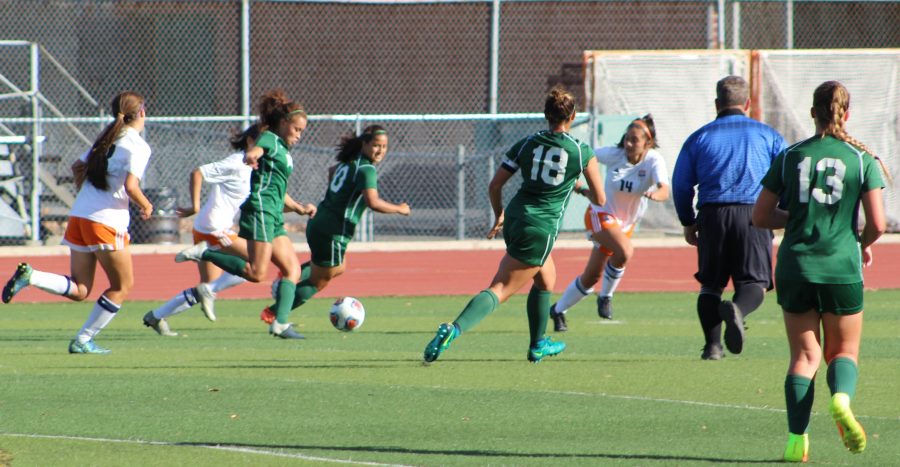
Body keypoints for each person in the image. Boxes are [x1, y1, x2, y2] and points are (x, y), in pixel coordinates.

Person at [752, 81, 886, 463]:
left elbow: (760, 216)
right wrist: (860, 245)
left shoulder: (791, 155)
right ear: (847, 114)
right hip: (841, 266)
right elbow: (877, 223)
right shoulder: (862, 159)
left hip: (795, 266)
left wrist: (795, 216)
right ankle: (841, 399)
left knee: (803, 357)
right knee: (843, 351)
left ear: (813, 113)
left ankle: (797, 441)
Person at [422, 85, 605, 364]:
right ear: (574, 116)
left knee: (546, 277)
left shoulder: (527, 142)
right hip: (541, 226)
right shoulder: (581, 151)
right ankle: (453, 329)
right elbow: (600, 198)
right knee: (501, 288)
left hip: (517, 216)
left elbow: (495, 185)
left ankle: (538, 344)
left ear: (546, 114)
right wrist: (579, 188)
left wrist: (499, 214)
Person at [1, 91, 153, 354]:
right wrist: (147, 204)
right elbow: (131, 185)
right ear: (141, 112)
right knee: (121, 286)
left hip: (80, 216)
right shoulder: (138, 145)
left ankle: (32, 276)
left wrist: (85, 192)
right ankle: (83, 340)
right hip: (106, 222)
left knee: (81, 289)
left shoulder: (107, 139)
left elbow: (76, 167)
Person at [175, 90, 314, 339]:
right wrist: (252, 154)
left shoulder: (284, 150)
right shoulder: (271, 139)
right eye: (296, 129)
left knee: (292, 269)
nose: (299, 135)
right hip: (259, 211)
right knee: (256, 273)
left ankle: (280, 323)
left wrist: (300, 208)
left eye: (302, 131)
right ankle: (204, 252)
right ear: (283, 124)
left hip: (273, 216)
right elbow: (259, 149)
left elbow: (279, 190)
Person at [671, 75, 786, 360]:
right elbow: (788, 174)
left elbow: (680, 184)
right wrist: (782, 213)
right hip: (755, 213)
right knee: (754, 283)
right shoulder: (768, 135)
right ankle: (739, 310)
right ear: (748, 103)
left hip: (713, 214)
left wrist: (688, 221)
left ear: (716, 104)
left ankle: (712, 347)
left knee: (711, 284)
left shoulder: (699, 137)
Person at [258, 125, 410, 325]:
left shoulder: (349, 163)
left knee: (340, 266)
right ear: (364, 144)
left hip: (319, 223)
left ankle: (292, 273)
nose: (380, 150)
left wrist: (338, 199)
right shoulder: (366, 169)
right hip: (334, 232)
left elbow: (332, 171)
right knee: (319, 281)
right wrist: (400, 209)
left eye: (384, 146)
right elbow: (373, 202)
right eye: (375, 145)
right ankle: (274, 311)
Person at [549, 114, 670, 330]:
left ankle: (558, 310)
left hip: (626, 224)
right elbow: (584, 156)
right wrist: (574, 180)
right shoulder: (614, 155)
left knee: (591, 276)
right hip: (600, 214)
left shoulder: (654, 161)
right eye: (627, 139)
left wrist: (656, 195)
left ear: (648, 143)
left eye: (635, 140)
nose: (629, 144)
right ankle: (606, 296)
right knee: (624, 251)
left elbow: (664, 190)